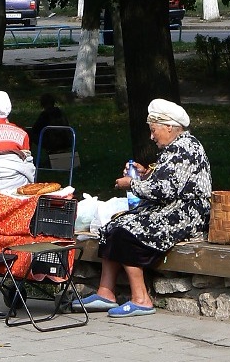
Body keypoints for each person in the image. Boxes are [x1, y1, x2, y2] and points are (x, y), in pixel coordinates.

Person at [72, 98, 212, 318]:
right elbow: (169, 180)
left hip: (186, 214)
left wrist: (133, 184)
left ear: (169, 127)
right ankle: (106, 292)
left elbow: (165, 190)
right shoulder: (177, 146)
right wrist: (147, 174)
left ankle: (141, 299)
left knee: (127, 232)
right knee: (113, 224)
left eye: (154, 129)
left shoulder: (184, 148)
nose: (151, 135)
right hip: (173, 208)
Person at [29, 93, 72, 168]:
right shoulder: (60, 112)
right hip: (66, 141)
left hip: (53, 143)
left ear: (42, 104)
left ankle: (27, 159)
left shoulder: (45, 114)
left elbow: (35, 129)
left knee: (28, 133)